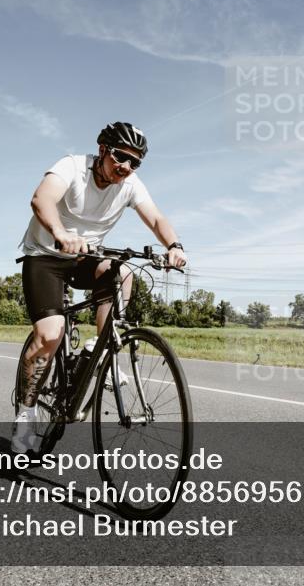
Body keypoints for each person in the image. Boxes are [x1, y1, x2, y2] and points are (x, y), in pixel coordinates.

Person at [12, 122, 187, 453]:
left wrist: (174, 245)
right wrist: (61, 233)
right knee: (50, 335)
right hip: (47, 256)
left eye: (135, 162)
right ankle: (25, 416)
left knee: (123, 272)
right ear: (103, 150)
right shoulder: (73, 166)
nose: (126, 167)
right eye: (121, 157)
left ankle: (106, 348)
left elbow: (156, 219)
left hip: (86, 258)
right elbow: (42, 199)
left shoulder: (130, 184)